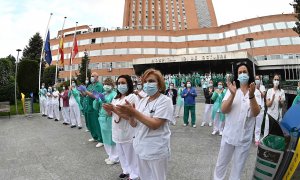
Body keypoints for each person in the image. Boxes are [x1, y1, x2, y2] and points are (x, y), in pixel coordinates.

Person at [114, 69, 173, 180]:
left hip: (156, 149)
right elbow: (134, 124)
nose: (147, 84)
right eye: (145, 82)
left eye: (151, 81)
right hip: (140, 148)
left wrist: (134, 112)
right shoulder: (143, 101)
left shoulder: (165, 101)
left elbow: (155, 124)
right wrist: (131, 116)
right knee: (144, 177)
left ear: (159, 84)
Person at [214, 63, 260, 180]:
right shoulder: (232, 90)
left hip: (244, 138)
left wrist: (251, 96)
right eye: (240, 72)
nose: (242, 74)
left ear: (249, 74)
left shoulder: (256, 92)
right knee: (221, 165)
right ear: (237, 75)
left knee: (237, 169)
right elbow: (224, 110)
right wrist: (233, 95)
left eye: (245, 72)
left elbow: (256, 113)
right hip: (229, 135)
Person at [103, 75, 139, 179]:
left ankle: (134, 174)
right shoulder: (116, 98)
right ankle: (126, 170)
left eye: (123, 83)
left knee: (130, 154)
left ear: (129, 84)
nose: (120, 85)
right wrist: (108, 110)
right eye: (118, 83)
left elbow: (130, 116)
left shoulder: (132, 97)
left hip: (128, 130)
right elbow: (112, 114)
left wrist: (113, 109)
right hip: (117, 130)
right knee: (121, 153)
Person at [93, 78, 119, 165]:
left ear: (112, 86)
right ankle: (110, 155)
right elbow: (96, 107)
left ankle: (115, 157)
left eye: (108, 84)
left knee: (111, 137)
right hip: (102, 118)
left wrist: (105, 101)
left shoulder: (114, 94)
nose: (106, 86)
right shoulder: (103, 93)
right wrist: (96, 100)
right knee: (105, 138)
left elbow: (114, 107)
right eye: (105, 84)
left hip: (109, 118)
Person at [83, 72, 104, 148]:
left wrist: (85, 91)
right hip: (88, 106)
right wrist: (82, 91)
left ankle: (101, 139)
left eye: (93, 76)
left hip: (95, 106)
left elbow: (95, 95)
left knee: (96, 123)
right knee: (90, 123)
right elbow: (85, 95)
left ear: (97, 77)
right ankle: (94, 136)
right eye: (91, 76)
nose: (91, 77)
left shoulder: (99, 85)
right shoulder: (90, 85)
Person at [254, 75, 266, 145]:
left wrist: (258, 89)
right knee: (251, 124)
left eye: (258, 79)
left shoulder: (262, 87)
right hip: (253, 108)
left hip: (261, 109)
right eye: (256, 79)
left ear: (260, 80)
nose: (257, 80)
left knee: (258, 125)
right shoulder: (252, 86)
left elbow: (263, 96)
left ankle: (256, 139)